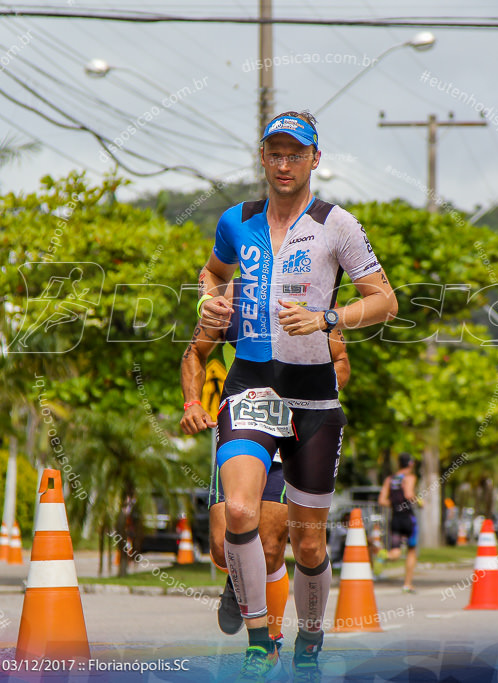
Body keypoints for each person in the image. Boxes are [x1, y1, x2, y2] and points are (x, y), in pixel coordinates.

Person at [196, 110, 397, 682]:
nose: (284, 164)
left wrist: (329, 316)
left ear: (315, 159)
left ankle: (311, 634)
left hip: (312, 394)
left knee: (309, 546)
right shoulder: (236, 220)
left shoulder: (338, 225)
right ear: (263, 157)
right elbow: (212, 273)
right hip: (251, 385)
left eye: (296, 154)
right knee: (238, 510)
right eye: (275, 153)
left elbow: (385, 301)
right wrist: (208, 301)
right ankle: (261, 637)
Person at [180, 278, 351, 646]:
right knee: (221, 545)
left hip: (292, 429)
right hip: (245, 417)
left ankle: (267, 644)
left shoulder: (311, 301)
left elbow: (341, 362)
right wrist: (192, 402)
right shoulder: (233, 298)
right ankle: (238, 573)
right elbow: (195, 352)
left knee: (273, 547)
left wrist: (310, 402)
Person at [378, 453, 420, 593]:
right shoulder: (409, 478)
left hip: (395, 519)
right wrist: (420, 501)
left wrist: (395, 504)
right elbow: (408, 494)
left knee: (395, 553)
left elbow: (382, 500)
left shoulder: (390, 479)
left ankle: (382, 555)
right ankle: (407, 584)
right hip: (408, 519)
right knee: (411, 550)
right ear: (410, 464)